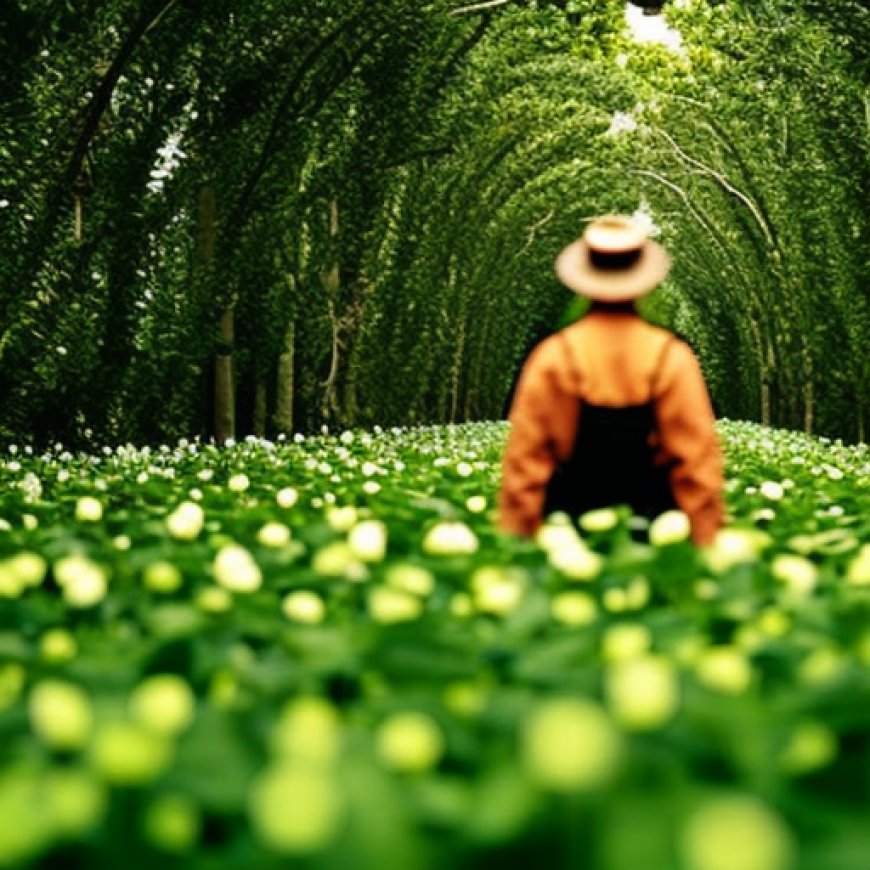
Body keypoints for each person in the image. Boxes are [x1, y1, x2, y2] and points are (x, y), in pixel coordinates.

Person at [498, 215, 724, 546]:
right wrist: (705, 545)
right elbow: (695, 461)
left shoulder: (555, 356)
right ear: (643, 280)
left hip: (569, 538)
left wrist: (519, 545)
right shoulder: (670, 358)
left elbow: (527, 460)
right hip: (653, 535)